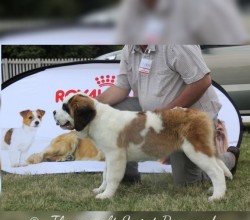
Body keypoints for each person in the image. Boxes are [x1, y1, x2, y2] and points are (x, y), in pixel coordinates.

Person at [96, 45, 240, 185]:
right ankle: (125, 175)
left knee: (188, 183)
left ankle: (229, 158)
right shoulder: (130, 48)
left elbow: (202, 81)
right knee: (113, 110)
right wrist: (90, 105)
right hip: (153, 114)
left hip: (190, 118)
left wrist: (169, 111)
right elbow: (121, 87)